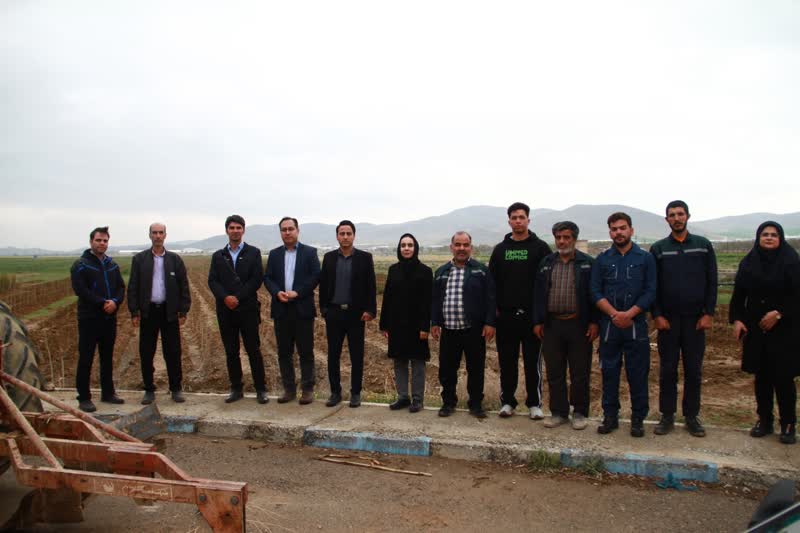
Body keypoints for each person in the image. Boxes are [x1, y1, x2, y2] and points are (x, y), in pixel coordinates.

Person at [650, 201, 717, 437]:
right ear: (666, 219)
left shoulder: (703, 245)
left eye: (680, 214)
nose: (676, 218)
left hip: (695, 321)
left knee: (693, 371)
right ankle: (667, 416)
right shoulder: (659, 249)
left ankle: (691, 416)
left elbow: (712, 281)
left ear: (688, 216)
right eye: (672, 215)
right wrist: (657, 315)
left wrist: (708, 313)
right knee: (668, 370)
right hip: (668, 322)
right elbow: (653, 286)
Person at [730, 221, 800, 444]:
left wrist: (779, 313)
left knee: (783, 378)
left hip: (785, 329)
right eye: (765, 234)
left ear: (781, 238)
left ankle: (788, 424)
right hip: (757, 328)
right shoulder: (749, 262)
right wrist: (737, 319)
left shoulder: (792, 261)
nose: (769, 237)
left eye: (774, 234)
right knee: (762, 377)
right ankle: (764, 420)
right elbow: (739, 294)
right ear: (758, 238)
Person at [590, 212, 656, 437]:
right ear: (610, 232)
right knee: (609, 373)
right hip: (610, 325)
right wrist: (614, 314)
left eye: (622, 228)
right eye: (614, 229)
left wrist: (630, 314)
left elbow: (651, 291)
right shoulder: (602, 259)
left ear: (631, 230)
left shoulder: (645, 258)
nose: (618, 232)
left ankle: (637, 419)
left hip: (635, 325)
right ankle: (610, 416)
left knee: (637, 373)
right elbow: (595, 291)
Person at [533, 221, 599, 430]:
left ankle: (579, 412)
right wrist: (538, 321)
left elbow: (595, 295)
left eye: (566, 237)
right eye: (558, 238)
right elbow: (538, 294)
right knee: (555, 371)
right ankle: (559, 412)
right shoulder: (546, 263)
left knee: (580, 372)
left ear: (574, 239)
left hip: (579, 325)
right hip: (552, 325)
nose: (562, 241)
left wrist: (594, 321)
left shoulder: (587, 263)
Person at [489, 202, 552, 420]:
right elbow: (492, 283)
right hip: (506, 317)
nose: (518, 221)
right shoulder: (500, 250)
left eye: (521, 217)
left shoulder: (541, 248)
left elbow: (548, 283)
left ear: (528, 220)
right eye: (514, 217)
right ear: (509, 221)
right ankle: (508, 402)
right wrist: (494, 311)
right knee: (507, 362)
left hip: (532, 317)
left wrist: (542, 316)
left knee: (533, 362)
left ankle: (534, 403)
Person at [431, 231, 496, 418]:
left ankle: (475, 404)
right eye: (458, 245)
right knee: (447, 369)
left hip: (474, 330)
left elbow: (491, 298)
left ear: (471, 248)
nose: (461, 248)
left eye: (465, 245)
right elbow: (435, 300)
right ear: (451, 247)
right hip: (449, 330)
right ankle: (448, 403)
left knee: (475, 369)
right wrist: (435, 322)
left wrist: (490, 323)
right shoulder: (441, 272)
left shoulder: (481, 270)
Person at [127, 223, 191, 405]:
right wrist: (134, 311)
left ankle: (176, 388)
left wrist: (183, 310)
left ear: (165, 235)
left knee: (173, 352)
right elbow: (133, 287)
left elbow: (183, 286)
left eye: (160, 233)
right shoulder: (140, 260)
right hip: (148, 312)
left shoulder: (174, 260)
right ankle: (149, 389)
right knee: (146, 352)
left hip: (169, 312)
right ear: (150, 235)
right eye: (154, 233)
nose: (157, 236)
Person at [208, 215, 268, 404]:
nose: (235, 231)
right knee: (231, 351)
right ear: (227, 230)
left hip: (247, 309)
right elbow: (213, 281)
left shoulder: (253, 253)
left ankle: (261, 389)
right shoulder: (218, 256)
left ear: (243, 230)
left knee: (253, 350)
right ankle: (236, 388)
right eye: (232, 228)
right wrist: (226, 297)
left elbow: (256, 279)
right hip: (225, 310)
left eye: (238, 228)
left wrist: (238, 297)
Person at [319, 220, 377, 408]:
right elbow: (324, 286)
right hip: (334, 313)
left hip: (356, 315)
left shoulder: (365, 258)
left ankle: (355, 393)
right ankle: (335, 392)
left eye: (348, 233)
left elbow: (371, 286)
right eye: (342, 233)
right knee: (333, 355)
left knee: (356, 355)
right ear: (337, 236)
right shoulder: (329, 258)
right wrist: (324, 310)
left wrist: (370, 310)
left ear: (354, 236)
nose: (345, 237)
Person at [264, 217, 321, 405]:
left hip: (302, 309)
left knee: (306, 352)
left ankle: (307, 390)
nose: (287, 232)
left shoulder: (310, 253)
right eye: (284, 229)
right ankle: (289, 389)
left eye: (290, 229)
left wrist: (298, 292)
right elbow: (268, 278)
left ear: (297, 230)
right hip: (281, 309)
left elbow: (315, 276)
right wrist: (276, 292)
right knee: (284, 352)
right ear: (280, 232)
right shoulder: (274, 254)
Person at [70, 226, 126, 412]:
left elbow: (120, 287)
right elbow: (81, 290)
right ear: (91, 242)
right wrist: (103, 303)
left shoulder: (112, 265)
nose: (102, 243)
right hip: (89, 318)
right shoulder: (81, 265)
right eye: (98, 240)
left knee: (107, 357)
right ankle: (84, 397)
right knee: (86, 358)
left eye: (105, 241)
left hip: (109, 318)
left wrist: (115, 302)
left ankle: (108, 393)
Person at [379, 234, 433, 413]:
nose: (407, 248)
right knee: (399, 360)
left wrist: (425, 327)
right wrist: (384, 324)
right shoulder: (393, 270)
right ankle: (403, 397)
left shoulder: (425, 271)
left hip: (417, 326)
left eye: (410, 245)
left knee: (417, 362)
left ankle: (417, 399)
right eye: (403, 245)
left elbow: (428, 302)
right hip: (396, 324)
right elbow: (387, 298)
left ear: (415, 248)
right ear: (399, 248)